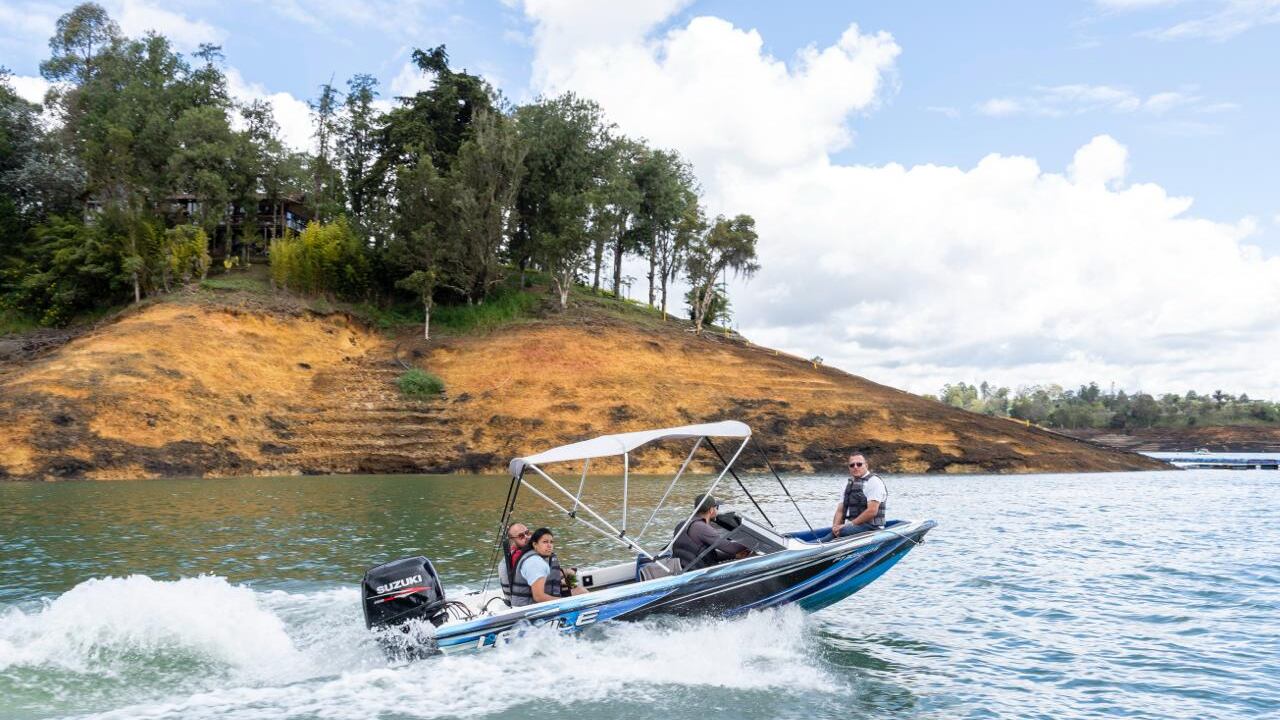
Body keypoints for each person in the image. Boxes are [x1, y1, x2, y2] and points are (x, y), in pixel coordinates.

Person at [509, 528, 587, 607]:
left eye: (551, 542)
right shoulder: (535, 563)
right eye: (545, 542)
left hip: (528, 604)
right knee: (582, 592)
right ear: (535, 544)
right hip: (528, 609)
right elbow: (538, 597)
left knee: (575, 584)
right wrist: (564, 601)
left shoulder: (532, 556)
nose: (549, 545)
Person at [671, 494, 751, 570]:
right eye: (716, 507)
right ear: (711, 510)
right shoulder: (702, 528)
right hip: (697, 573)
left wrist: (734, 556)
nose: (717, 510)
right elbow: (731, 548)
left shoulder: (682, 524)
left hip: (683, 567)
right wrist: (750, 541)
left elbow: (706, 554)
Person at [824, 452, 887, 540]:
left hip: (872, 528)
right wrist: (835, 527)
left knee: (843, 532)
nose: (855, 467)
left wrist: (848, 525)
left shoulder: (874, 482)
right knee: (833, 532)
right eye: (852, 465)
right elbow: (840, 510)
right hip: (854, 527)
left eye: (859, 464)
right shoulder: (847, 484)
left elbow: (872, 511)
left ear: (866, 465)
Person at [497, 522, 531, 602]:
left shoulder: (515, 552)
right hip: (528, 602)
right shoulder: (520, 557)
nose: (526, 537)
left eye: (527, 533)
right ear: (512, 539)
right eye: (521, 536)